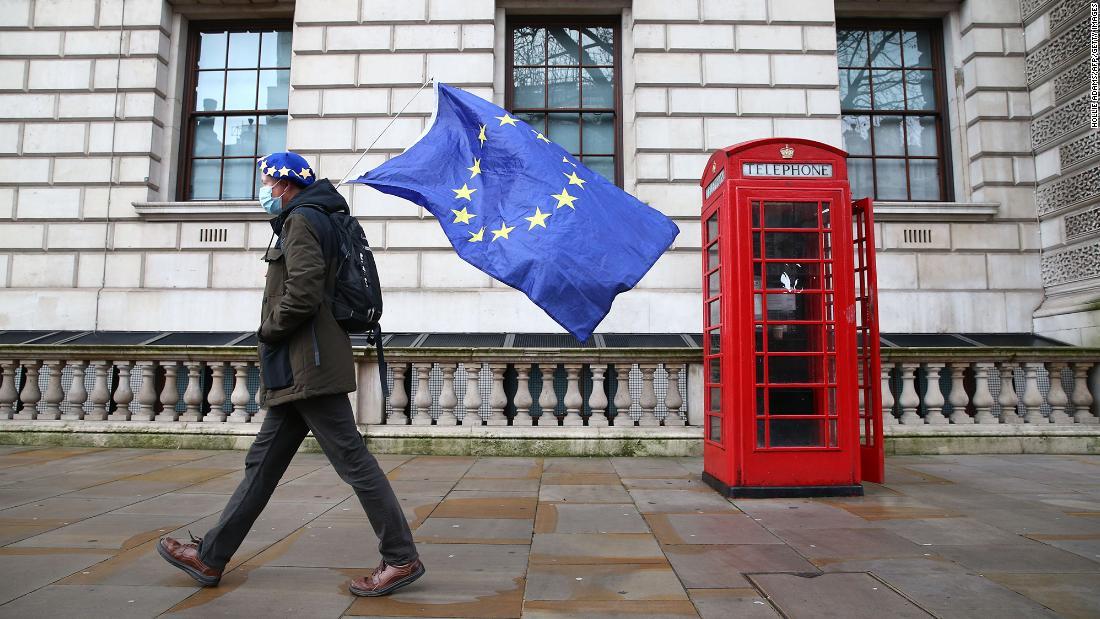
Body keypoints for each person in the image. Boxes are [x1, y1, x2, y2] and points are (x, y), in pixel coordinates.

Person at [157, 151, 424, 597]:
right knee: (262, 466)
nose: (263, 190)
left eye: (267, 181)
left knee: (355, 463)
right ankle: (210, 557)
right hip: (302, 364)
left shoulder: (302, 219)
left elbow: (302, 289)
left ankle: (400, 558)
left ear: (285, 184)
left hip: (308, 364)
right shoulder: (316, 216)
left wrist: (267, 329)